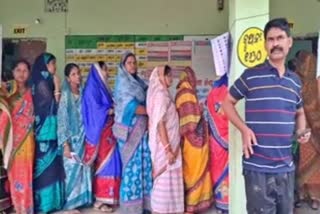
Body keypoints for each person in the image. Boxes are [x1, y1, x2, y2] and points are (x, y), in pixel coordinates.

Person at [222, 18, 310, 214]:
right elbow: (226, 103)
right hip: (257, 168)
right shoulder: (251, 75)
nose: (275, 44)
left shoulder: (295, 81)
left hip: (286, 168)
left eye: (280, 38)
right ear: (265, 44)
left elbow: (300, 112)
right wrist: (244, 129)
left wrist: (302, 130)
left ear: (289, 42)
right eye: (270, 39)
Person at [113, 52, 152, 214]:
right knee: (131, 167)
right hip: (129, 133)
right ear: (123, 66)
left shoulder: (139, 82)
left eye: (134, 62)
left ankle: (144, 204)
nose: (133, 65)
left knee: (144, 165)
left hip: (142, 130)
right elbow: (132, 107)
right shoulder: (123, 84)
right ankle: (131, 206)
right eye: (129, 63)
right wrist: (153, 111)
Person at [82, 62, 121, 212]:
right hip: (100, 133)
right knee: (104, 166)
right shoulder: (92, 89)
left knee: (113, 163)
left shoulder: (103, 87)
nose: (107, 73)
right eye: (105, 70)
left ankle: (111, 197)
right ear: (98, 71)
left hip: (110, 133)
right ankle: (100, 199)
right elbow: (94, 110)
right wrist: (110, 111)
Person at [146, 65, 184, 214]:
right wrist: (167, 149)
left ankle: (171, 210)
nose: (171, 78)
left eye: (170, 75)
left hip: (170, 144)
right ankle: (161, 210)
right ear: (160, 78)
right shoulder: (161, 95)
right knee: (164, 179)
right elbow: (160, 124)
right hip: (165, 147)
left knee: (170, 179)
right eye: (168, 76)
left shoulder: (164, 94)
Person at [175, 67, 213, 213]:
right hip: (194, 141)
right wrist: (201, 112)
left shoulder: (180, 92)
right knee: (196, 169)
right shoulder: (187, 92)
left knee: (190, 170)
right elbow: (191, 121)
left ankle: (192, 202)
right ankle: (194, 203)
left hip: (187, 141)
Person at [0, 60, 35, 214]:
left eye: (25, 70)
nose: (21, 73)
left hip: (27, 140)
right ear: (13, 72)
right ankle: (17, 206)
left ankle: (26, 208)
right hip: (12, 140)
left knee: (26, 174)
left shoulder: (32, 91)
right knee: (14, 175)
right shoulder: (7, 88)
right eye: (18, 70)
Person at [32, 53, 65, 213]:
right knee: (45, 169)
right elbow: (52, 105)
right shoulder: (41, 83)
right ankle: (45, 204)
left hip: (50, 133)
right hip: (44, 134)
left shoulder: (46, 81)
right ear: (45, 65)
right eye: (52, 64)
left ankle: (52, 202)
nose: (54, 67)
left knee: (52, 168)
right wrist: (57, 87)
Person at [57, 63, 92, 213]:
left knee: (84, 169)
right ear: (67, 78)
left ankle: (82, 200)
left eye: (78, 73)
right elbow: (62, 121)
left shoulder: (84, 92)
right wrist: (65, 144)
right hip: (71, 141)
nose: (77, 76)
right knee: (71, 171)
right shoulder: (66, 96)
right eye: (73, 74)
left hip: (84, 138)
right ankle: (70, 204)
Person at [294, 51, 320, 210]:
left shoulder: (315, 83)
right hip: (305, 131)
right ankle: (307, 196)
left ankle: (311, 197)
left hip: (309, 131)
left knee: (312, 166)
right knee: (304, 164)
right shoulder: (297, 81)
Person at [206, 74, 229, 212]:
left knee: (217, 170)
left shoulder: (212, 94)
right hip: (228, 142)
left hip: (215, 142)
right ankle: (228, 203)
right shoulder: (229, 92)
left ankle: (220, 203)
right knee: (227, 174)